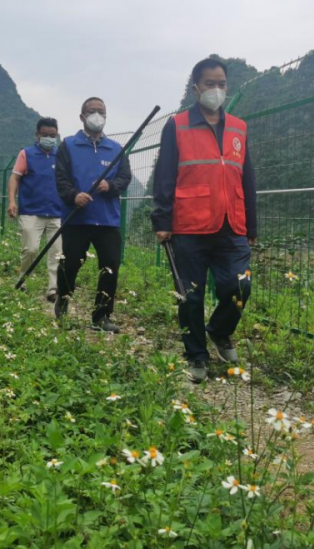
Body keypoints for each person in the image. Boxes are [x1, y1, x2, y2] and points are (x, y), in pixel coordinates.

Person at [151, 58, 258, 382]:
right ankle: (196, 355)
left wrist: (251, 224)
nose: (216, 89)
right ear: (196, 88)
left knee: (240, 285)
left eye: (221, 84)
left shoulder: (239, 127)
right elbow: (165, 174)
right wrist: (162, 220)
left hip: (232, 223)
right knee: (191, 294)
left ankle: (219, 330)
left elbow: (247, 178)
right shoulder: (178, 125)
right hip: (189, 224)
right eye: (210, 84)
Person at [54, 97, 132, 332]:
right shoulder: (68, 145)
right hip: (76, 219)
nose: (97, 115)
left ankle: (102, 315)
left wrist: (112, 186)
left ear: (106, 116)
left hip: (108, 220)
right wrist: (74, 195)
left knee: (110, 267)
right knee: (70, 264)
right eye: (91, 111)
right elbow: (61, 178)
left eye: (101, 111)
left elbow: (125, 178)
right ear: (82, 116)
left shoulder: (116, 149)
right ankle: (63, 303)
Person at [7, 117, 64, 302]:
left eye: (53, 135)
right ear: (37, 135)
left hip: (56, 213)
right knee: (30, 249)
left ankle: (53, 290)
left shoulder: (61, 156)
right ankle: (22, 280)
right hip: (31, 211)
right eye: (45, 135)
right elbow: (15, 178)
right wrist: (12, 201)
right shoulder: (26, 154)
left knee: (57, 253)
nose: (49, 138)